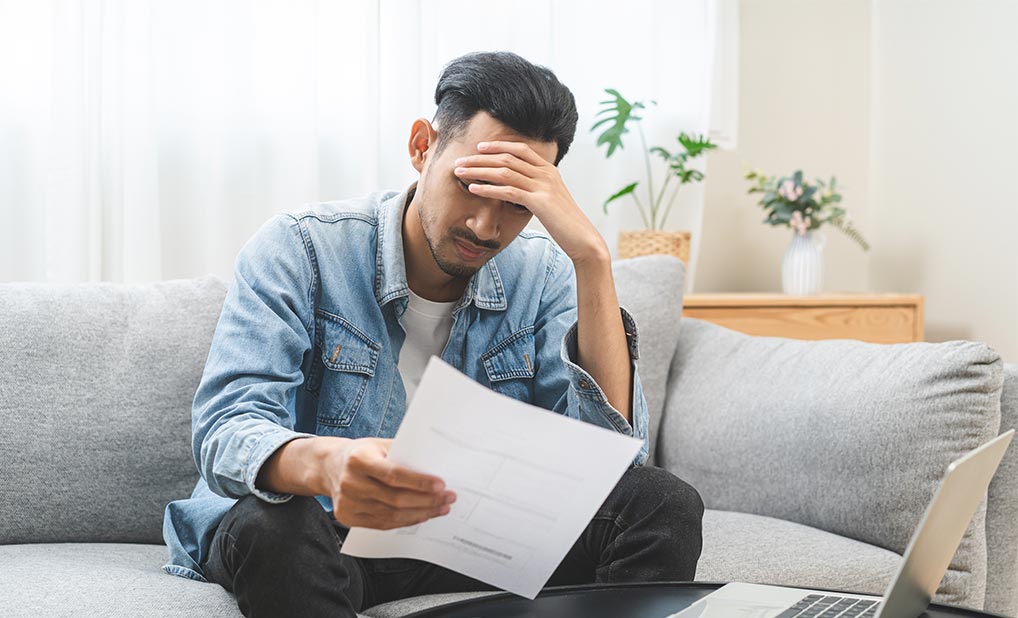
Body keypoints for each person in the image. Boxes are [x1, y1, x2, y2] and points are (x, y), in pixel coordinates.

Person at [161, 50, 703, 618]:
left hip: (473, 534)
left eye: (517, 203)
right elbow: (226, 428)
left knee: (660, 502)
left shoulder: (544, 274)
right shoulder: (302, 248)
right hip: (326, 528)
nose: (486, 227)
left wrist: (592, 260)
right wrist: (325, 464)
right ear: (423, 146)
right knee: (272, 524)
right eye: (472, 184)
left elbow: (608, 463)